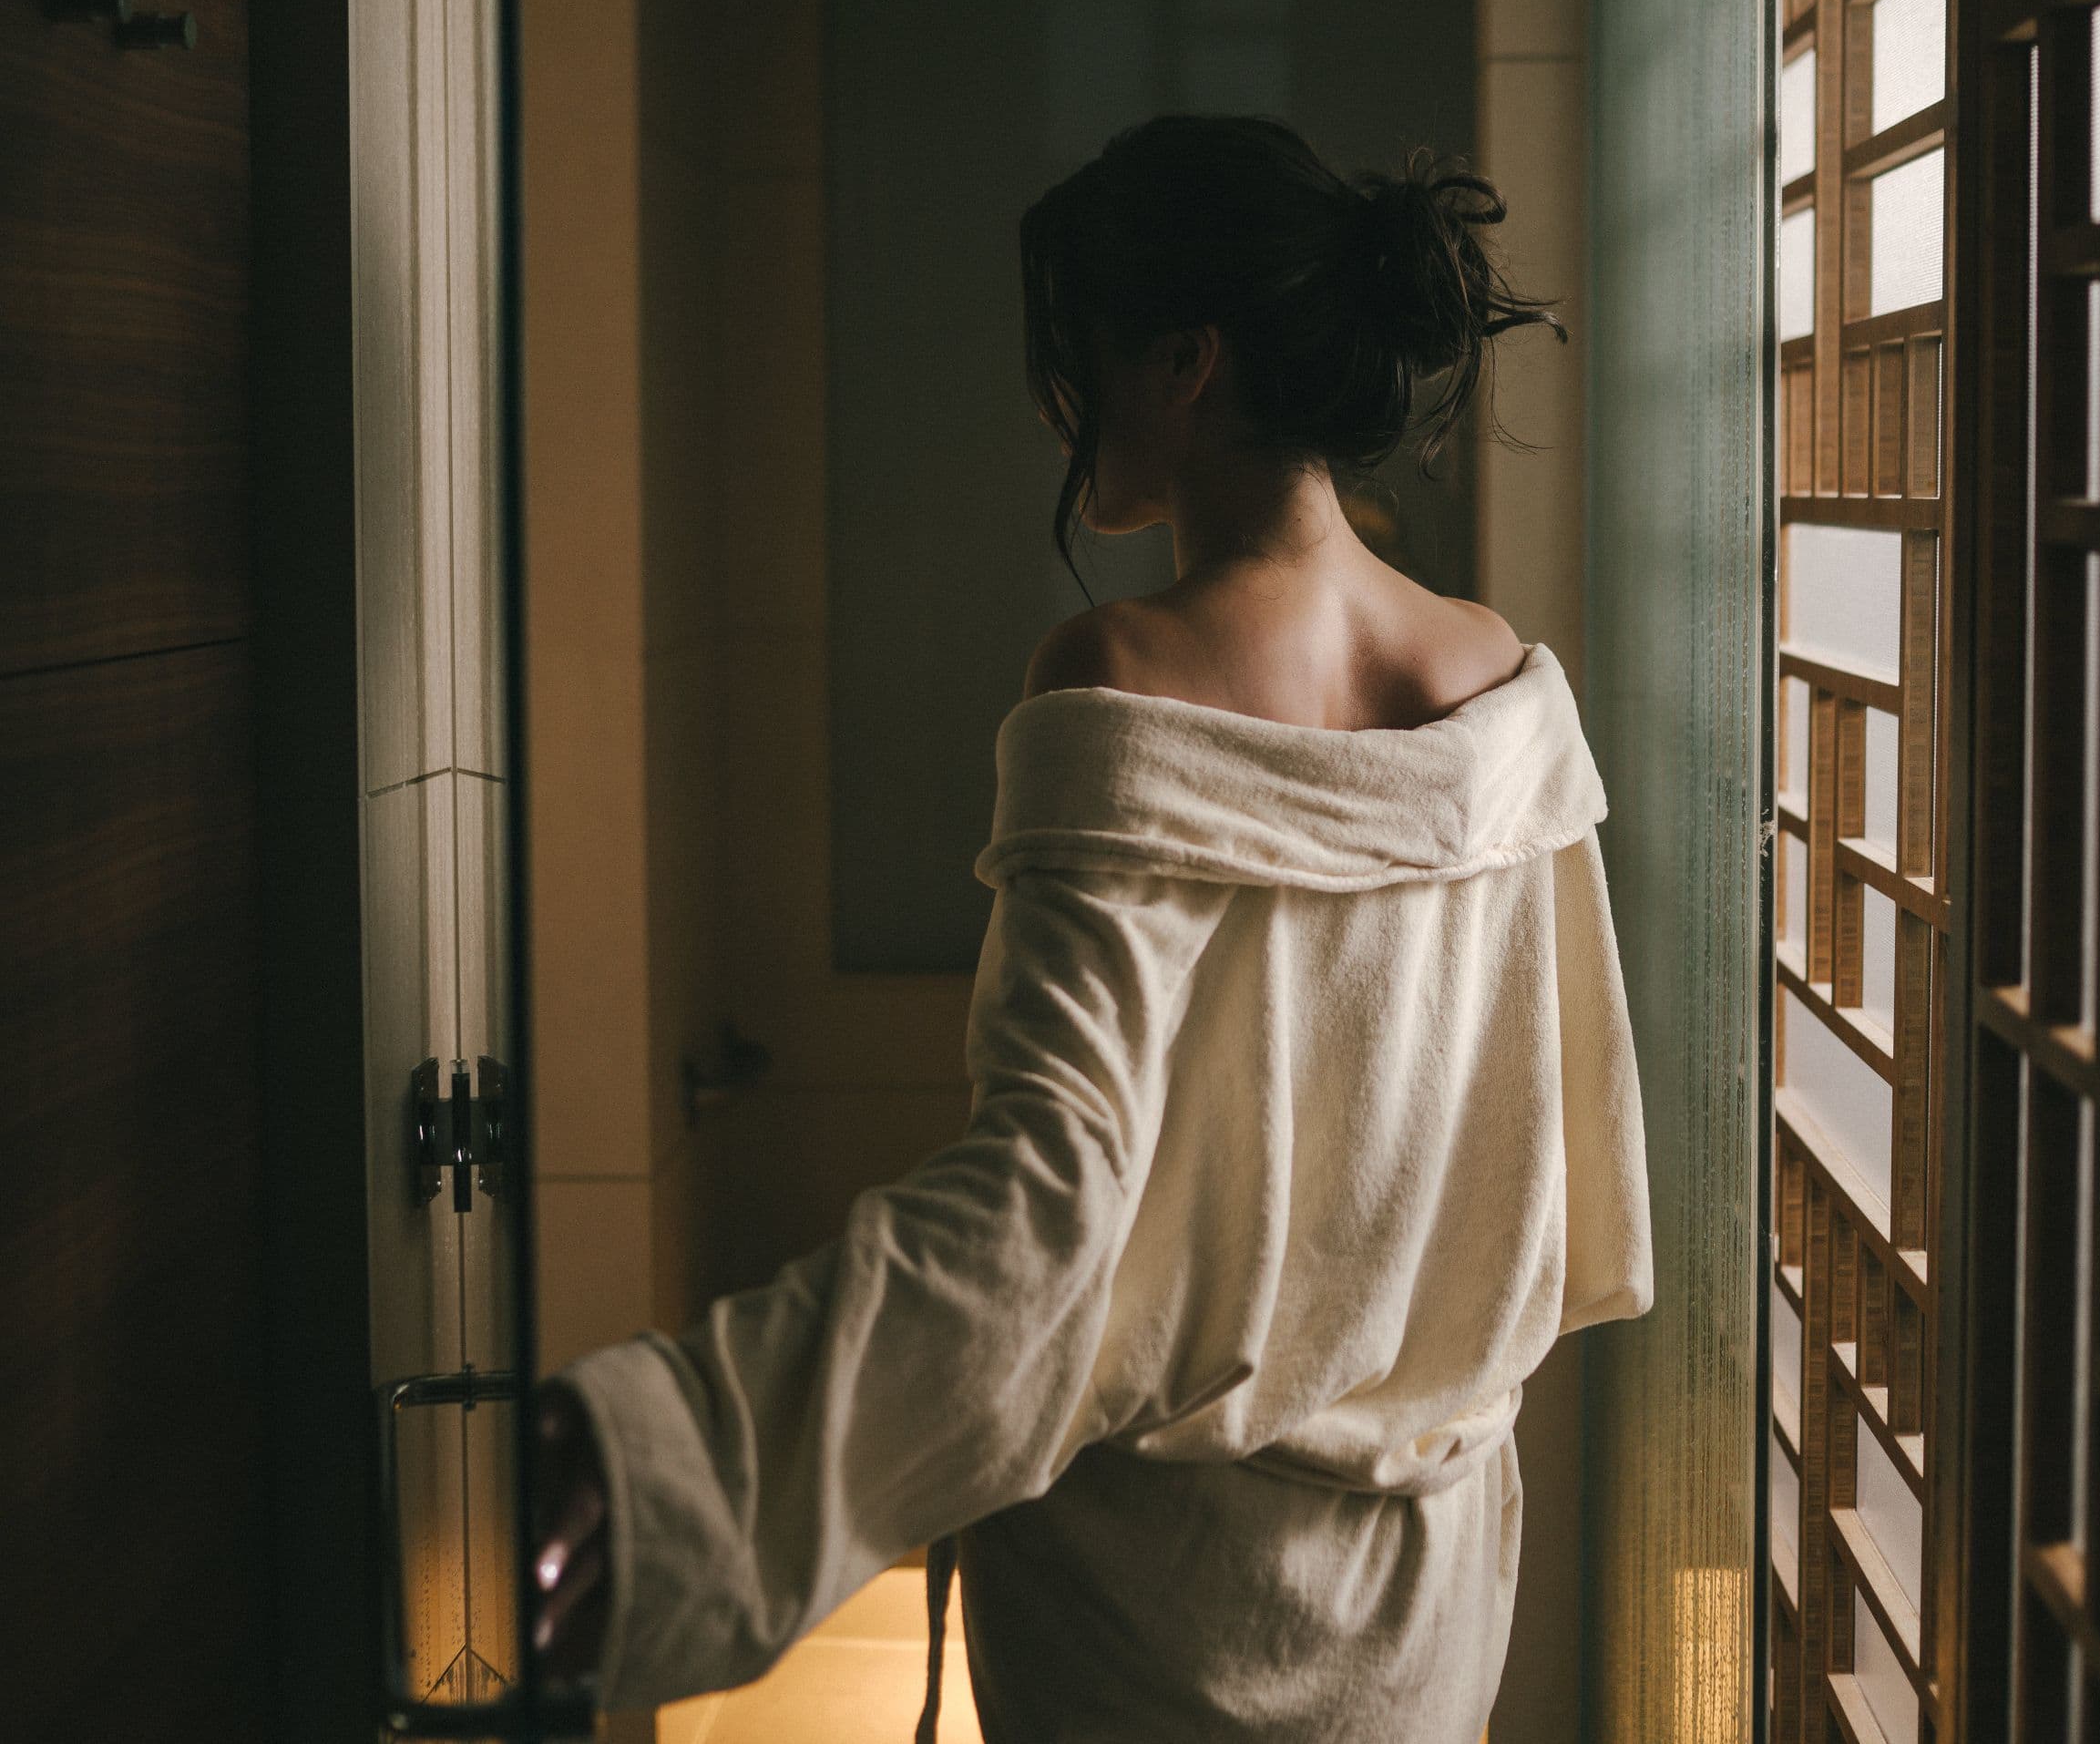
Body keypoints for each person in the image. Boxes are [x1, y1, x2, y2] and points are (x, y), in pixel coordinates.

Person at [528, 112, 1653, 1742]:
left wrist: (647, 1469)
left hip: (1162, 1608)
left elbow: (1043, 1210)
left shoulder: (1117, 676)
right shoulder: (1498, 682)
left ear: (1185, 360)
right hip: (1422, 1596)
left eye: (1077, 353)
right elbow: (1547, 1146)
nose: (1055, 400)